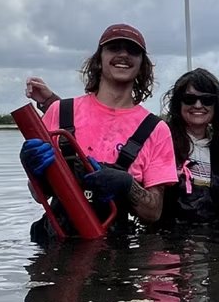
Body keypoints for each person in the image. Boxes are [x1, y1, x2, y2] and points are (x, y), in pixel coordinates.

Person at [20, 24, 177, 241]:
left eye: (132, 50)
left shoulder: (156, 129)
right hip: (56, 245)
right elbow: (39, 196)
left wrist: (127, 185)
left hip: (115, 252)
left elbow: (153, 212)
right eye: (114, 48)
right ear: (99, 59)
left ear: (143, 65)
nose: (123, 54)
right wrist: (34, 172)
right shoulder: (60, 112)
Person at [160, 68, 219, 225]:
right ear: (178, 103)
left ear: (216, 105)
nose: (198, 105)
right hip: (170, 240)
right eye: (189, 99)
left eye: (207, 100)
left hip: (214, 240)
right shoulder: (161, 141)